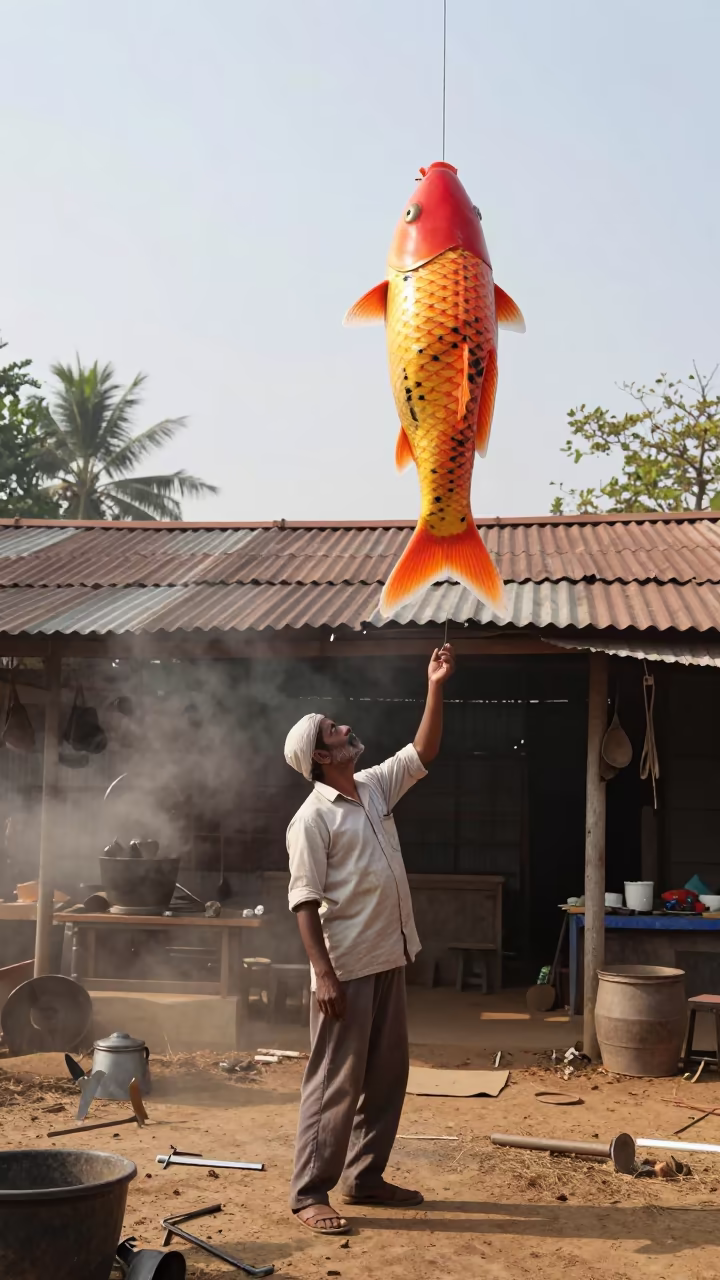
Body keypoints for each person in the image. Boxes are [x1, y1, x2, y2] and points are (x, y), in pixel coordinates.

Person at [283, 644, 456, 1235]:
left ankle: (364, 1177)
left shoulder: (374, 786)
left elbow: (423, 750)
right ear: (320, 755)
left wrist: (434, 684)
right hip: (347, 967)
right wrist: (324, 975)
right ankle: (310, 1193)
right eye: (335, 729)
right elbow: (304, 902)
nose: (347, 729)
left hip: (389, 955)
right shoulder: (313, 818)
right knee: (335, 1083)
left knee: (386, 1076)